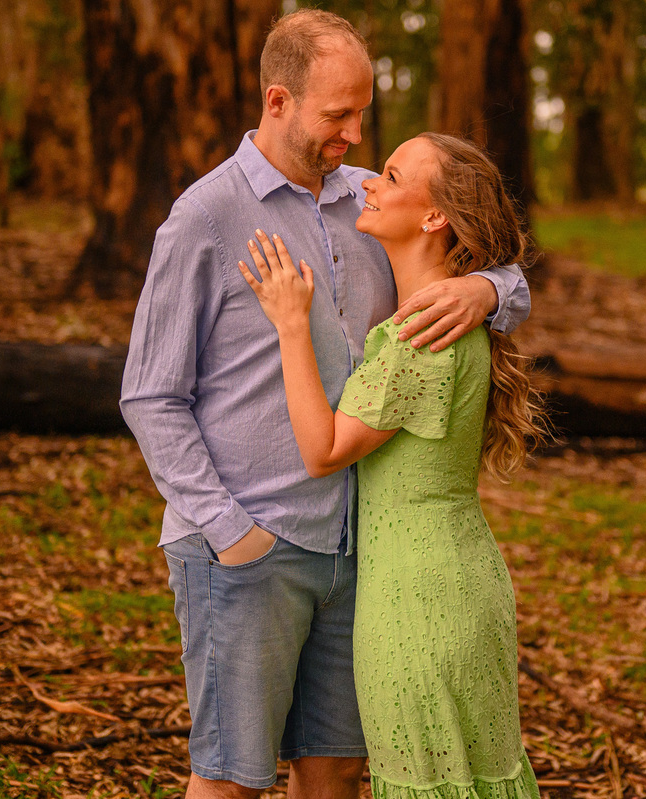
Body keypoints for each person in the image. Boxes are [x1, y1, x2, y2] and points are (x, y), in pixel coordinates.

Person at [119, 10, 529, 799]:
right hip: (252, 549)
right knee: (232, 778)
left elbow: (477, 245)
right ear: (278, 101)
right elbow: (150, 395)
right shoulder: (205, 218)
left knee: (336, 769)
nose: (355, 134)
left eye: (363, 113)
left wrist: (487, 288)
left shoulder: (370, 201)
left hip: (361, 554)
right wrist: (232, 532)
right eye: (338, 115)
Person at [238, 130, 545, 799]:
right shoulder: (450, 315)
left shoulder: (421, 335)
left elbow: (323, 450)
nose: (370, 183)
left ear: (434, 217)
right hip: (453, 578)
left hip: (420, 596)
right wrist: (487, 288)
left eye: (393, 176)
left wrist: (291, 324)